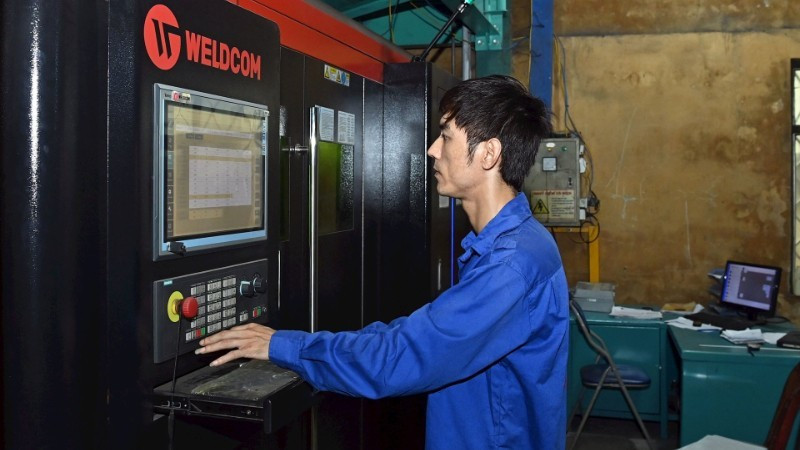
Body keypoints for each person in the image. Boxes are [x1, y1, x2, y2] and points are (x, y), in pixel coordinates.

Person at [197, 75, 569, 450]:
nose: (432, 150)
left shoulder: (512, 266)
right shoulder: (512, 246)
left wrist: (283, 346)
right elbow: (413, 336)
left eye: (446, 136)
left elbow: (400, 357)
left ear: (488, 153)